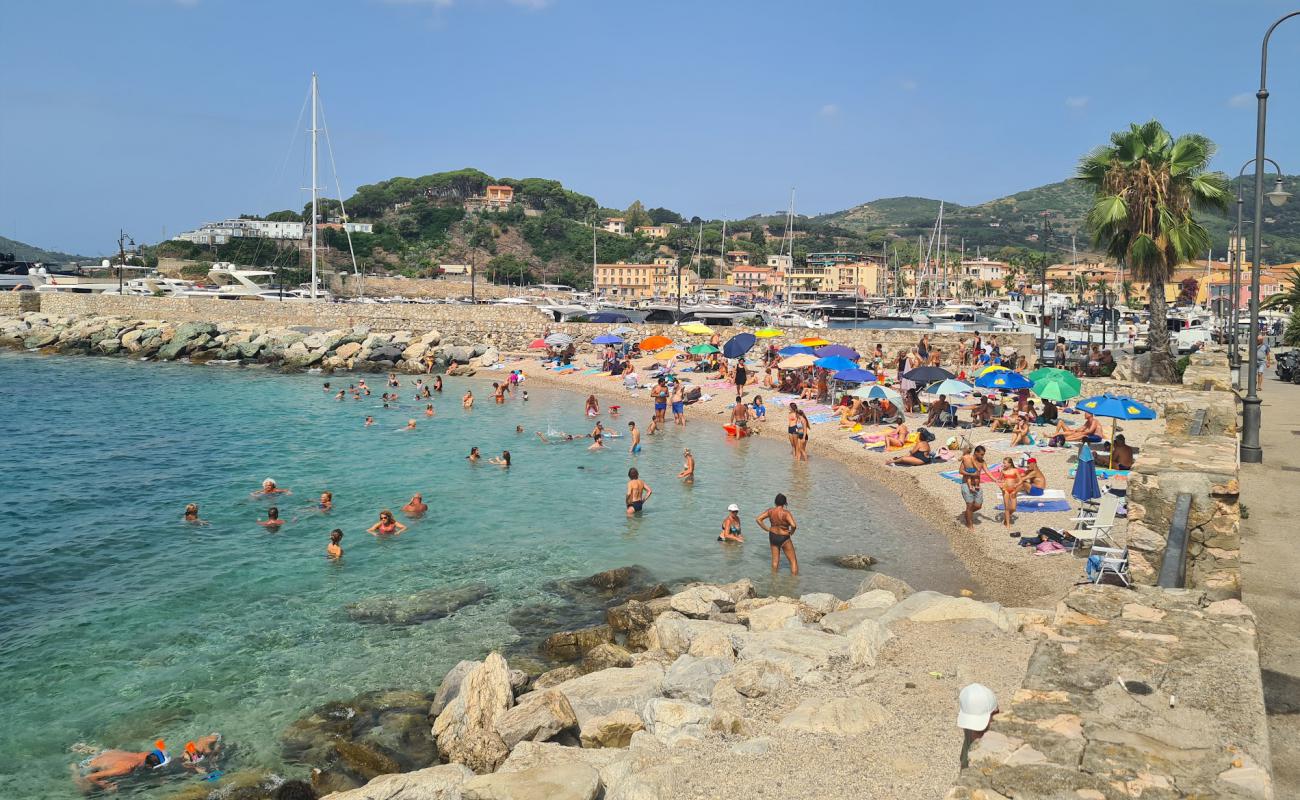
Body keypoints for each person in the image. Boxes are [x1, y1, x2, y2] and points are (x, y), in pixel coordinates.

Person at [73, 744, 168, 792]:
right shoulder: (126, 768)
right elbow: (90, 777)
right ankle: (73, 768)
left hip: (106, 753)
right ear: (150, 766)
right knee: (87, 792)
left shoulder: (145, 754)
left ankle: (88, 749)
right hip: (88, 766)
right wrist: (107, 786)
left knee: (104, 756)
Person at [957, 683, 999, 769]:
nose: (973, 735)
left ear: (995, 713)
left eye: (980, 731)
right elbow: (964, 762)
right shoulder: (968, 730)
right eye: (970, 725)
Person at [756, 493, 798, 575]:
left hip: (773, 536)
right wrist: (792, 532)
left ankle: (774, 580)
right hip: (784, 537)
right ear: (785, 503)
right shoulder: (786, 513)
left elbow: (758, 519)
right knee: (793, 562)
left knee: (775, 561)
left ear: (775, 502)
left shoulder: (770, 511)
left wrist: (766, 529)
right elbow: (794, 525)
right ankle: (794, 582)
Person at [959, 445, 993, 531]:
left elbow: (988, 472)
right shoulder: (968, 459)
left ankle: (967, 513)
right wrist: (971, 474)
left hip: (977, 486)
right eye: (981, 454)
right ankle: (969, 524)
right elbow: (960, 471)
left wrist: (995, 480)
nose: (982, 456)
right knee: (970, 505)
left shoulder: (982, 462)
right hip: (966, 484)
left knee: (978, 505)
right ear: (976, 453)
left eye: (983, 454)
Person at [999, 457, 1024, 530]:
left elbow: (1020, 480)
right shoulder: (1003, 471)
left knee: (1013, 508)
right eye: (1003, 463)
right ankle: (1008, 524)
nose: (1003, 464)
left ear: (1010, 464)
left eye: (1005, 463)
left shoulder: (1015, 470)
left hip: (1013, 490)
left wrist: (1017, 485)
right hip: (1005, 490)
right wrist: (1001, 487)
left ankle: (1006, 518)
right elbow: (999, 480)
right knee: (1007, 507)